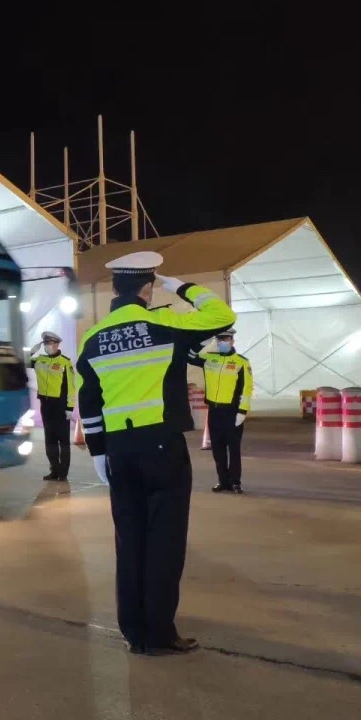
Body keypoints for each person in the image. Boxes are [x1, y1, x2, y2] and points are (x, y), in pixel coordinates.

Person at [76, 251, 235, 655]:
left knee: (129, 541)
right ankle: (160, 632)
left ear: (115, 289)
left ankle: (134, 632)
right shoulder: (165, 324)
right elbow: (222, 316)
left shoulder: (93, 337)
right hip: (162, 446)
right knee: (164, 541)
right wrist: (181, 286)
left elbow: (88, 401)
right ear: (147, 288)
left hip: (119, 451)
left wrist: (98, 453)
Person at [188, 327, 253, 494]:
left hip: (232, 412)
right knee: (218, 449)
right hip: (214, 411)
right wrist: (204, 339)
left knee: (234, 448)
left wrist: (242, 411)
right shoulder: (209, 359)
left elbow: (247, 388)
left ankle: (235, 482)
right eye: (220, 339)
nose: (223, 342)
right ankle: (223, 481)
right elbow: (189, 356)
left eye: (226, 339)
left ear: (232, 341)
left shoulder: (241, 362)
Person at [29, 331, 75, 481]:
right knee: (50, 440)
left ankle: (63, 473)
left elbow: (70, 387)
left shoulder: (65, 362)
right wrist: (32, 351)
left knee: (63, 441)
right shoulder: (39, 360)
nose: (47, 346)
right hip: (46, 404)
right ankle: (54, 470)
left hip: (60, 406)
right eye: (46, 343)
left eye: (50, 343)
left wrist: (70, 407)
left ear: (57, 344)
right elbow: (23, 361)